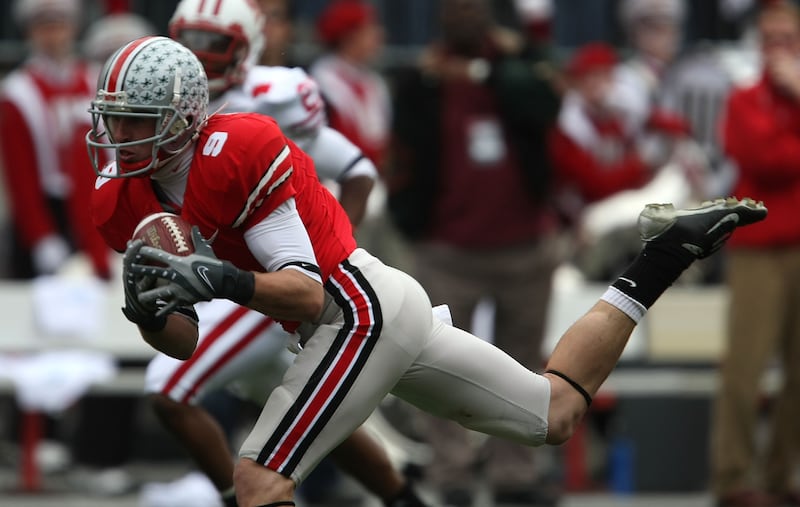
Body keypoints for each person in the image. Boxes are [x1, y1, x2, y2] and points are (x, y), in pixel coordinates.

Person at [85, 35, 766, 507]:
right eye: (112, 120)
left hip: (358, 311)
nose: (116, 137)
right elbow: (181, 341)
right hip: (371, 314)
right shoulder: (124, 199)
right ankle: (667, 253)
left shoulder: (236, 147)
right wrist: (148, 309)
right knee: (552, 412)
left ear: (181, 117)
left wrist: (218, 280)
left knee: (259, 477)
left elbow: (303, 287)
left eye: (132, 120)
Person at [97, 1, 425, 506]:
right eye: (190, 40)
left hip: (276, 274)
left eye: (213, 43)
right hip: (220, 279)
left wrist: (330, 245)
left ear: (244, 47)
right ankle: (401, 497)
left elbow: (356, 166)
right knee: (313, 411)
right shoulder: (144, 130)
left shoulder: (272, 100)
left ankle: (244, 498)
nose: (198, 56)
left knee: (175, 390)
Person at [387, 0, 563, 503]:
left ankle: (514, 473)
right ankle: (453, 473)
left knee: (524, 363)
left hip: (524, 244)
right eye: (452, 7)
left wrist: (485, 70)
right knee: (434, 365)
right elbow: (401, 156)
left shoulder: (520, 60)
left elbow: (545, 106)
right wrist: (411, 224)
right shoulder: (423, 77)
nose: (461, 14)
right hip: (447, 248)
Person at [709, 2, 800, 506]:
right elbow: (764, 160)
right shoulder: (745, 100)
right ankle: (733, 478)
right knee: (745, 367)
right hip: (759, 248)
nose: (779, 48)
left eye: (788, 37)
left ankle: (781, 473)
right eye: (770, 38)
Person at [0, 0, 111, 280]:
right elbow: (19, 174)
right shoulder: (17, 91)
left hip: (96, 201)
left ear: (73, 29)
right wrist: (40, 236)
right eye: (43, 28)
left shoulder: (94, 80)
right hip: (48, 208)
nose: (53, 36)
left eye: (59, 26)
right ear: (30, 33)